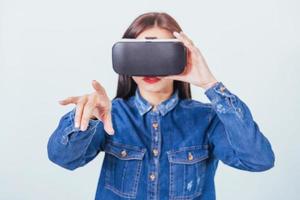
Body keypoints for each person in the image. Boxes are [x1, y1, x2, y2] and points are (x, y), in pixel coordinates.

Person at [47, 12, 275, 200]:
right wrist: (91, 119)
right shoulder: (111, 115)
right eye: (141, 53)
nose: (150, 67)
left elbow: (259, 160)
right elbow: (63, 158)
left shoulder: (207, 119)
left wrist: (210, 84)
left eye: (161, 53)